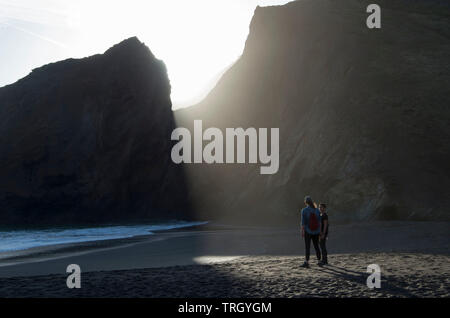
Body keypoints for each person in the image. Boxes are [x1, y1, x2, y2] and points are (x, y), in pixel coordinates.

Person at [300, 196, 321, 268]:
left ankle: (307, 262)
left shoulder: (304, 210)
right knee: (316, 246)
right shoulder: (317, 210)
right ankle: (319, 261)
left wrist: (302, 231)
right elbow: (319, 221)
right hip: (316, 231)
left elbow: (303, 222)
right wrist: (320, 231)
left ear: (305, 202)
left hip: (308, 231)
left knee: (307, 247)